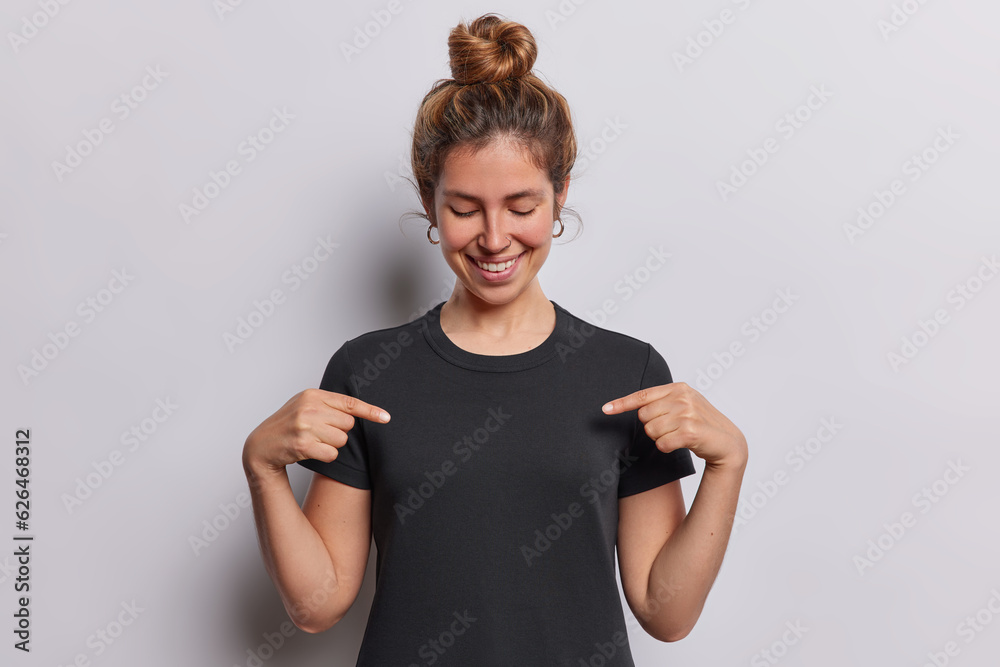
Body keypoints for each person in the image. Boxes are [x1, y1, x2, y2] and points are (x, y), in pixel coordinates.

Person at [242, 13, 748, 666]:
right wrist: (262, 467)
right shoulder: (368, 372)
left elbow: (666, 610)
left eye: (521, 205)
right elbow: (317, 604)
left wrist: (729, 460)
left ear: (560, 194)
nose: (494, 236)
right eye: (463, 208)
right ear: (429, 203)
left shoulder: (628, 372)